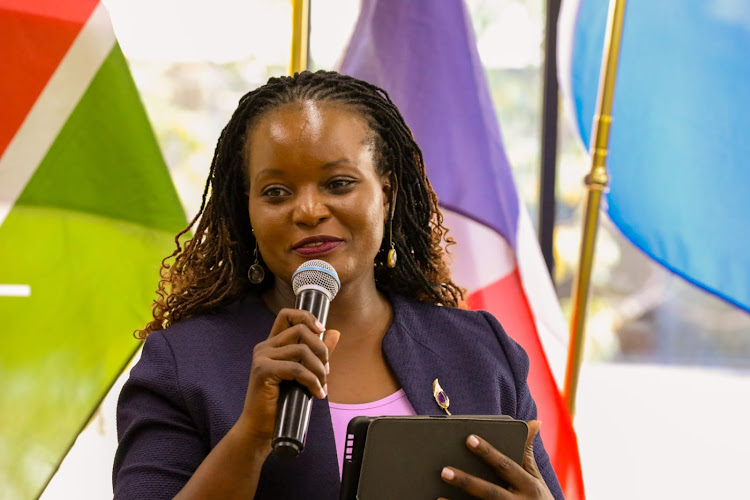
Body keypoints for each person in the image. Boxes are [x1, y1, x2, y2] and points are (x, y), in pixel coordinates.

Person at [112, 70, 563, 500]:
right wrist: (251, 438)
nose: (308, 210)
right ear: (245, 210)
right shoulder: (182, 364)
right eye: (275, 192)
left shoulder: (481, 350)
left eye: (338, 183)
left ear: (386, 195)